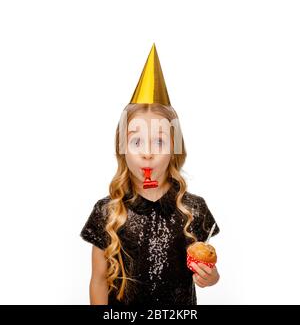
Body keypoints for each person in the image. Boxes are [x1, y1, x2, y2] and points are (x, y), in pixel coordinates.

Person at [80, 44, 220, 305]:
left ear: (174, 150)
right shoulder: (107, 212)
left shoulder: (194, 209)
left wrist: (210, 278)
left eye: (159, 142)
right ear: (122, 149)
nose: (147, 153)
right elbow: (98, 280)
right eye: (136, 142)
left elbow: (209, 271)